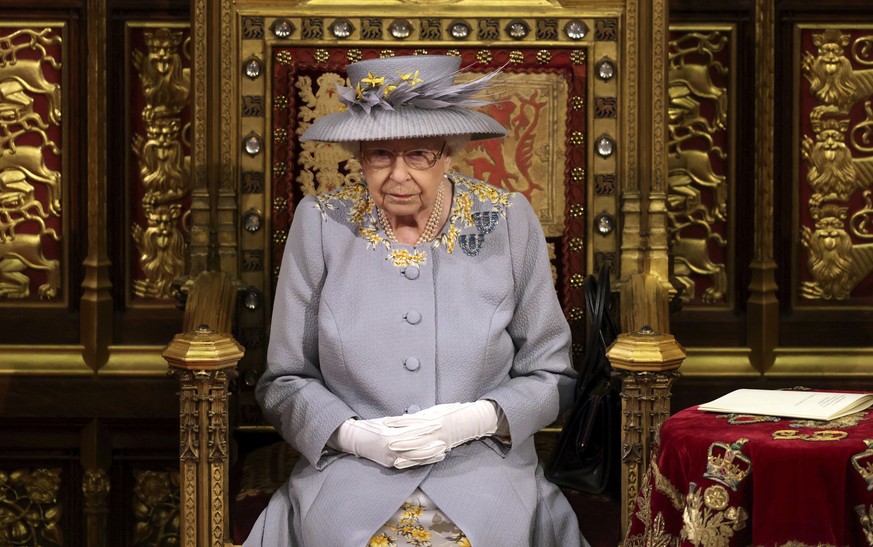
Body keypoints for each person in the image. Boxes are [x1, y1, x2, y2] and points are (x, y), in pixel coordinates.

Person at [245, 54, 587, 547]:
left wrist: (478, 419)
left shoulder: (507, 220)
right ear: (359, 155)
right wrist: (353, 436)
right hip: (350, 474)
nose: (398, 175)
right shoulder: (321, 223)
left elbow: (552, 376)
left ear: (450, 153)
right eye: (380, 154)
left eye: (419, 155)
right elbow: (283, 381)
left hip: (482, 470)